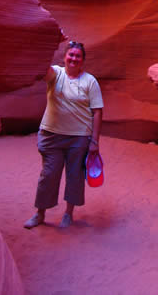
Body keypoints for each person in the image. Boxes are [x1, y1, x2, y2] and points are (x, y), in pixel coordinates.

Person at [24, 39, 103, 229]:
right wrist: (49, 40)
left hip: (79, 137)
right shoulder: (55, 73)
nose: (74, 59)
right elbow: (40, 69)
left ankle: (68, 214)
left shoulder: (89, 81)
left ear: (83, 60)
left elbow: (98, 111)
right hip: (52, 135)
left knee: (74, 175)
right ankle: (40, 214)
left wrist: (94, 140)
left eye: (78, 56)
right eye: (71, 55)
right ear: (64, 56)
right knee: (49, 174)